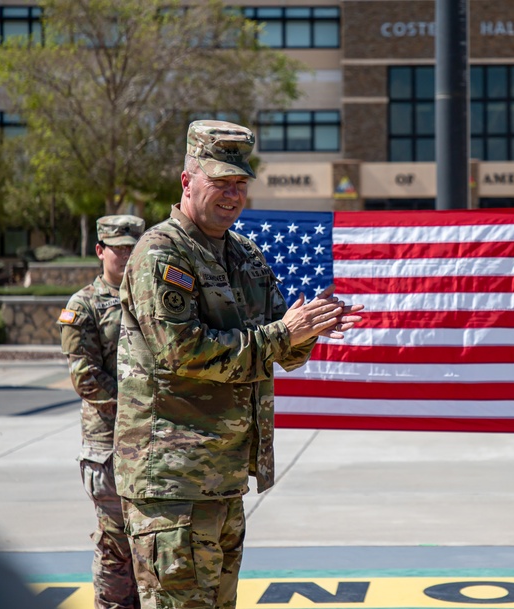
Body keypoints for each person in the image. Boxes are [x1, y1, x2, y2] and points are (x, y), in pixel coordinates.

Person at [114, 120, 363, 609]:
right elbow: (182, 352)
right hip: (172, 482)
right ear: (187, 181)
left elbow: (279, 345)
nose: (232, 195)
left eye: (240, 185)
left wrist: (308, 330)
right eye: (220, 182)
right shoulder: (161, 254)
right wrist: (282, 335)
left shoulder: (243, 253)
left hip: (222, 480)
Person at [58, 214, 146, 609]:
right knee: (116, 543)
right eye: (119, 249)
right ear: (100, 251)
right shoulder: (84, 305)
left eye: (134, 248)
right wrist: (142, 408)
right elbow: (87, 379)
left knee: (151, 544)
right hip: (108, 447)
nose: (127, 256)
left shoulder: (150, 297)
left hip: (151, 445)